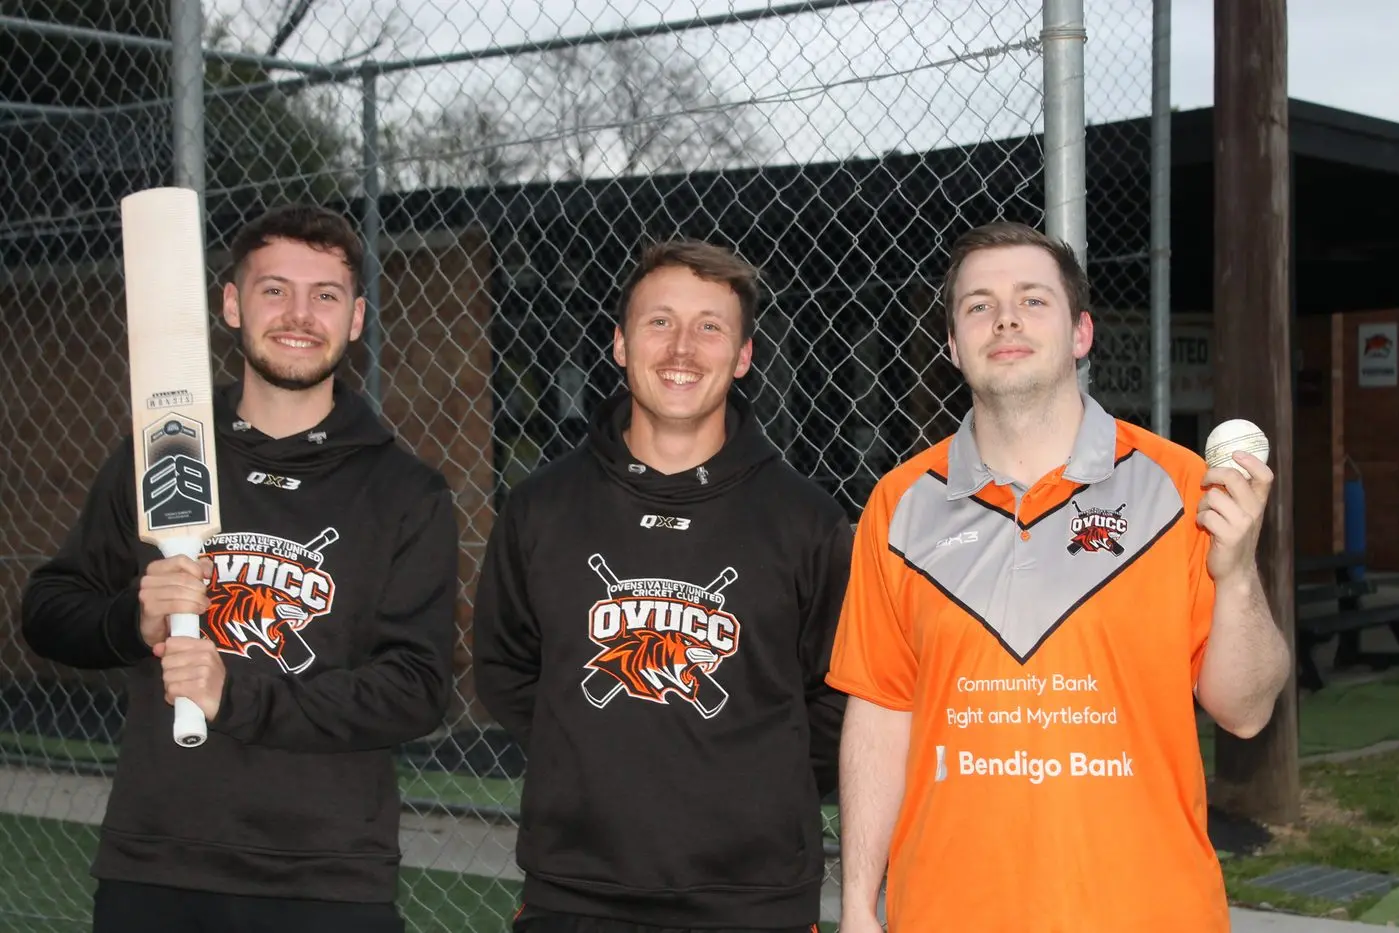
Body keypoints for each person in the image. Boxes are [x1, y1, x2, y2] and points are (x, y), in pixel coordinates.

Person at [825, 221, 1291, 932]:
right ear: (951, 344)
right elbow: (883, 711)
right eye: (977, 304)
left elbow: (1246, 708)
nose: (1004, 316)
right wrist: (858, 903)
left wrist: (1235, 578)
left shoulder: (1179, 487)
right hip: (946, 913)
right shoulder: (898, 504)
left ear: (1080, 332)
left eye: (1032, 299)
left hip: (1148, 911)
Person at [21, 203, 460, 933]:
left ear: (355, 319)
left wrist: (239, 695)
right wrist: (132, 617)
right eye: (273, 289)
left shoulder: (405, 491)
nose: (299, 313)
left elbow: (415, 690)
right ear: (231, 305)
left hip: (328, 879)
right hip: (156, 864)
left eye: (325, 295)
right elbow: (46, 610)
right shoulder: (162, 452)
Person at [473, 238, 852, 932]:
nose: (682, 348)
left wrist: (756, 781)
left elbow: (838, 694)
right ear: (619, 343)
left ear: (742, 356)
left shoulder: (806, 520)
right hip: (575, 892)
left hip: (753, 897)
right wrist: (591, 748)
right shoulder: (540, 507)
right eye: (659, 322)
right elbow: (505, 668)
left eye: (710, 326)